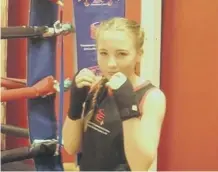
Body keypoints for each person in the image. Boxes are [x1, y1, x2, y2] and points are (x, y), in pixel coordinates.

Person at [62, 17, 166, 171]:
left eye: (122, 54)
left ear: (139, 55)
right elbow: (70, 147)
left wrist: (128, 106)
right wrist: (75, 104)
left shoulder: (151, 98)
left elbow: (140, 166)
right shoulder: (97, 87)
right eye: (103, 53)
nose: (111, 64)